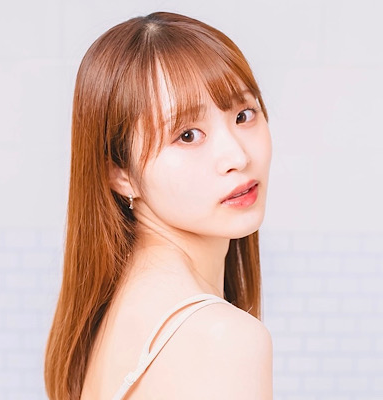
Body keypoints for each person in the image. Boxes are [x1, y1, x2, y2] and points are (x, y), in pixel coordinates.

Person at [44, 11, 273, 400]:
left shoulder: (114, 310)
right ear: (121, 173)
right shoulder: (222, 338)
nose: (237, 156)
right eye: (188, 135)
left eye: (243, 115)